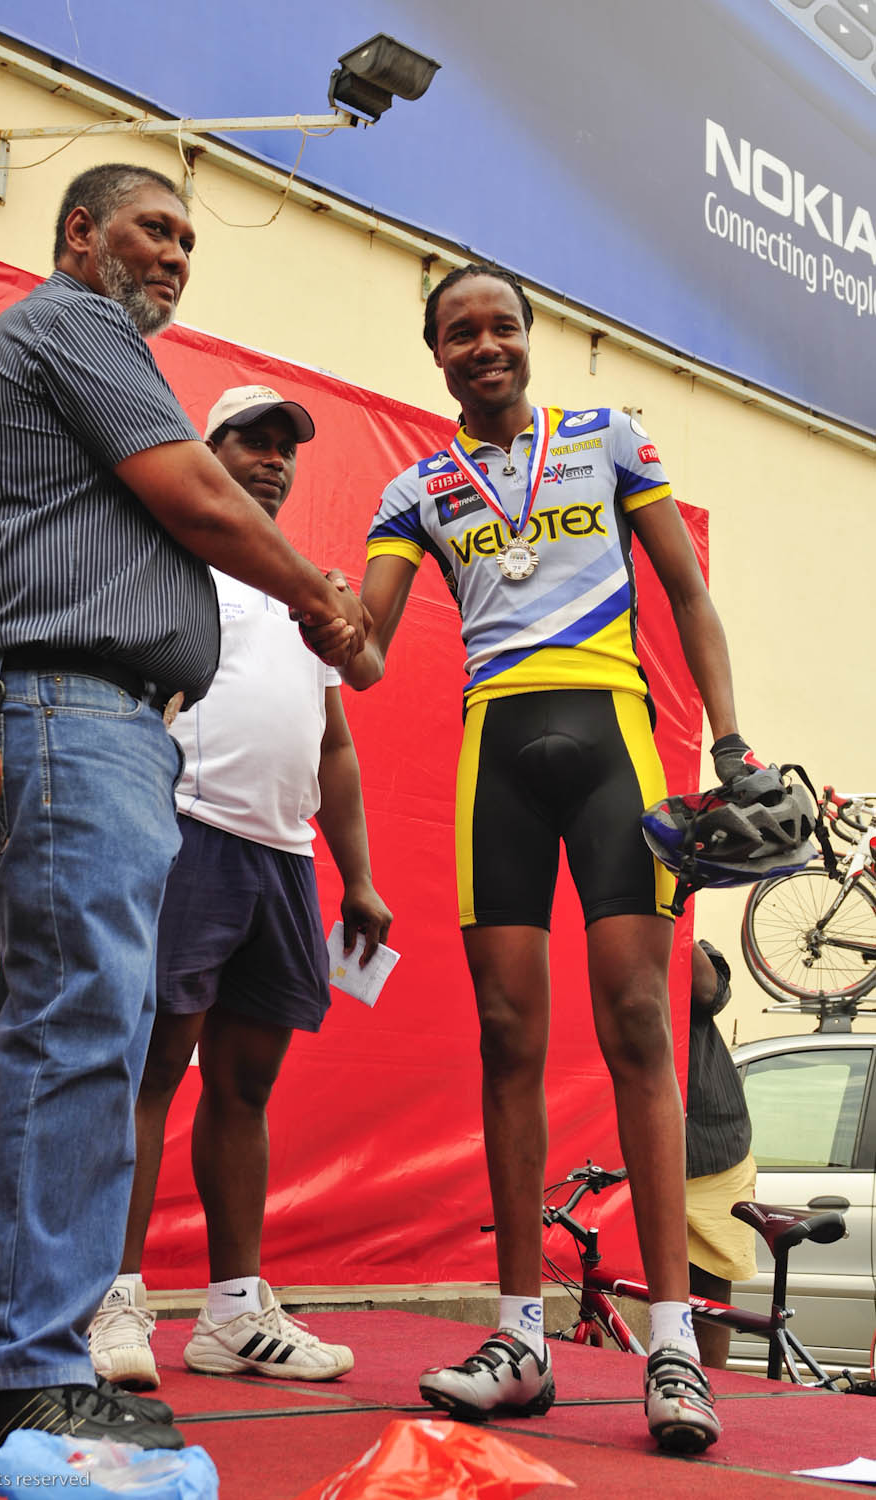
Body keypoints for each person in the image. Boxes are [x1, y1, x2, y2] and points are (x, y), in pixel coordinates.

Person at [0, 164, 366, 1464]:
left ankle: (24, 1363)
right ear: (81, 234)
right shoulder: (74, 322)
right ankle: (18, 1371)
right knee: (80, 1037)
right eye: (151, 228)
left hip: (100, 718)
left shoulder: (83, 351)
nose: (176, 252)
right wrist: (322, 601)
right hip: (66, 703)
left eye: (186, 238)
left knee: (86, 1035)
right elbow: (196, 494)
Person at [318, 261, 765, 1453]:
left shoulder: (606, 438)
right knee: (507, 1036)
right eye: (458, 332)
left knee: (638, 1022)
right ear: (435, 355)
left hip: (614, 736)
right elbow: (367, 650)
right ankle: (519, 1337)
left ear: (528, 336)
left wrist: (728, 740)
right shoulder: (415, 488)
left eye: (499, 326)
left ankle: (672, 1345)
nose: (483, 345)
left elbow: (686, 594)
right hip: (497, 756)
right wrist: (329, 616)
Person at [86, 385, 392, 1391]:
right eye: (252, 442)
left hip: (283, 858)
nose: (272, 460)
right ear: (206, 451)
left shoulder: (304, 589)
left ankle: (229, 1315)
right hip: (186, 835)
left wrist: (357, 875)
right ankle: (111, 1296)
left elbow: (334, 744)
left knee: (245, 1087)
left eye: (283, 448)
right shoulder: (170, 557)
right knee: (152, 1070)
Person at [686, 939, 757, 1370]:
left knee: (709, 1298)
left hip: (713, 1148)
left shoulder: (693, 945)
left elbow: (708, 993)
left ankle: (710, 1387)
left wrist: (677, 924)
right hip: (628, 1149)